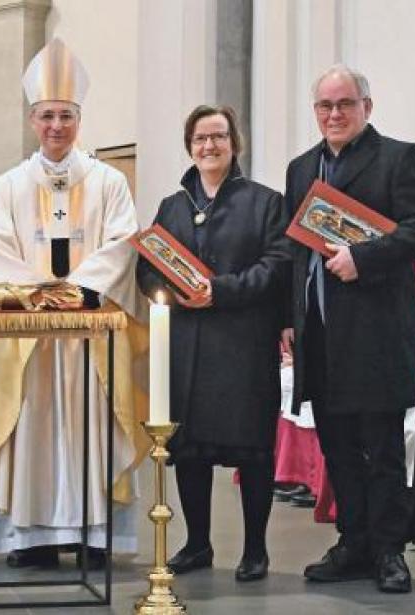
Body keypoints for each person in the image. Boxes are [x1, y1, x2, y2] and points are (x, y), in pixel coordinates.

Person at [0, 38, 148, 569]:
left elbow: (123, 243)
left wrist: (73, 295)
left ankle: (95, 534)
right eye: (47, 115)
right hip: (28, 339)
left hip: (89, 336)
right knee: (30, 429)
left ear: (79, 119)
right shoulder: (8, 186)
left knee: (92, 426)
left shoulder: (109, 182)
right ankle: (31, 538)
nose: (56, 125)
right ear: (33, 119)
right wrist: (39, 297)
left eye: (66, 116)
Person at [282, 64, 415, 593]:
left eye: (345, 104)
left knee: (383, 449)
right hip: (321, 336)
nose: (334, 114)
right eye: (324, 106)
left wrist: (363, 258)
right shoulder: (302, 169)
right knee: (338, 448)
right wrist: (288, 319)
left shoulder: (399, 157)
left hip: (376, 335)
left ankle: (389, 551)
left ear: (366, 107)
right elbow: (293, 251)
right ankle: (354, 542)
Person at [136, 105, 290, 582]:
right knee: (190, 450)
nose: (209, 146)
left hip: (243, 345)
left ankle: (256, 550)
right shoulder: (172, 206)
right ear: (190, 145)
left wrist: (219, 291)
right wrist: (168, 293)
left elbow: (277, 265)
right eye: (200, 138)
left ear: (234, 143)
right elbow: (148, 267)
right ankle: (197, 542)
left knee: (253, 450)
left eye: (218, 137)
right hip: (186, 345)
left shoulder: (266, 201)